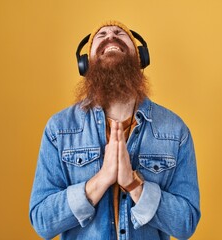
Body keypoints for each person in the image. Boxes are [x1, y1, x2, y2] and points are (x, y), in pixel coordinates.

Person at [29, 20, 201, 240]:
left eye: (120, 33)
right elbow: (42, 221)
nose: (111, 36)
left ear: (140, 58)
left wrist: (134, 184)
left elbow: (185, 223)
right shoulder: (59, 129)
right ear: (85, 63)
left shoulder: (175, 131)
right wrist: (101, 180)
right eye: (101, 36)